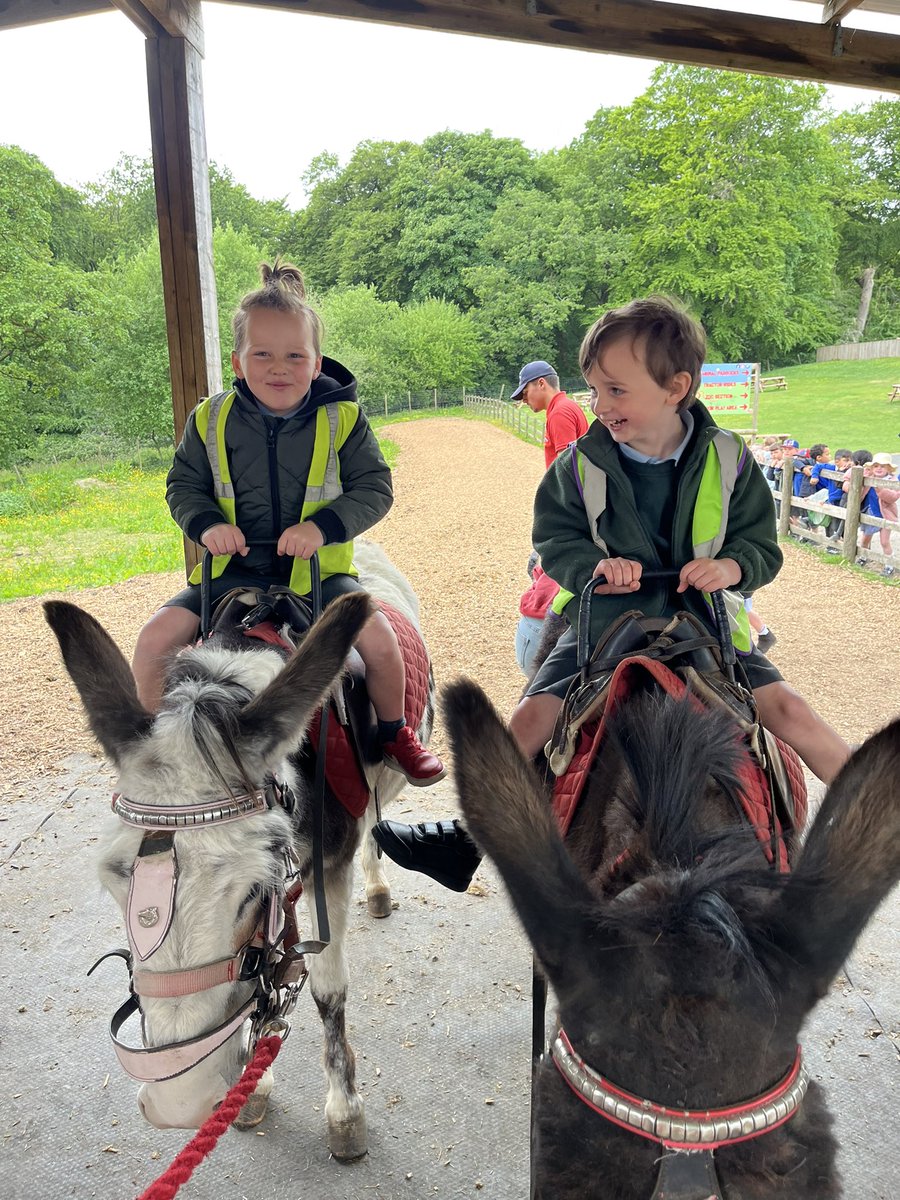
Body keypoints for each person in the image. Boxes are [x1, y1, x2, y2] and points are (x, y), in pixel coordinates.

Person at [376, 297, 851, 891]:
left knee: (790, 712)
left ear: (676, 388)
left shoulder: (730, 460)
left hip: (703, 623)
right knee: (532, 717)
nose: (599, 406)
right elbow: (555, 541)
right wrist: (596, 567)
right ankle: (468, 838)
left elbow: (761, 546)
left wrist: (731, 567)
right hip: (606, 623)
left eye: (616, 391)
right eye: (595, 390)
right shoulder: (577, 467)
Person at [130, 259, 445, 786]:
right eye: (263, 354)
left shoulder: (343, 420)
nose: (280, 368)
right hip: (232, 573)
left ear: (316, 363)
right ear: (238, 362)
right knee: (153, 638)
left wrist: (321, 529)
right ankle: (150, 743)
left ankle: (395, 733)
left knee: (380, 640)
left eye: (295, 355)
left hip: (318, 574)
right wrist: (206, 526)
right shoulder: (209, 419)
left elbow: (375, 487)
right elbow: (183, 485)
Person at [512, 359, 588, 468]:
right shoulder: (566, 405)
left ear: (541, 384)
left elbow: (567, 469)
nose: (524, 400)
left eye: (525, 392)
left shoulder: (559, 413)